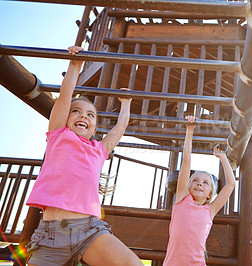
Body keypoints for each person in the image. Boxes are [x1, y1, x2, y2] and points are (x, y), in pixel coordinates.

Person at [25, 46, 143, 266]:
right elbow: (65, 96)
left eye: (90, 115)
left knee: (132, 264)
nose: (83, 116)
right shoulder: (59, 135)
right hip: (51, 234)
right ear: (66, 117)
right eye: (76, 111)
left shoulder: (98, 150)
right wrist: (75, 65)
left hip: (88, 230)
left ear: (94, 127)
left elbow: (119, 128)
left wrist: (126, 104)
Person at [163, 115, 236, 266]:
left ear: (210, 193)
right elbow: (186, 161)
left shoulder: (210, 210)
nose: (199, 184)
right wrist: (190, 130)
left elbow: (230, 184)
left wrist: (223, 158)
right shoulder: (182, 199)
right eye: (195, 180)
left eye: (205, 183)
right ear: (188, 187)